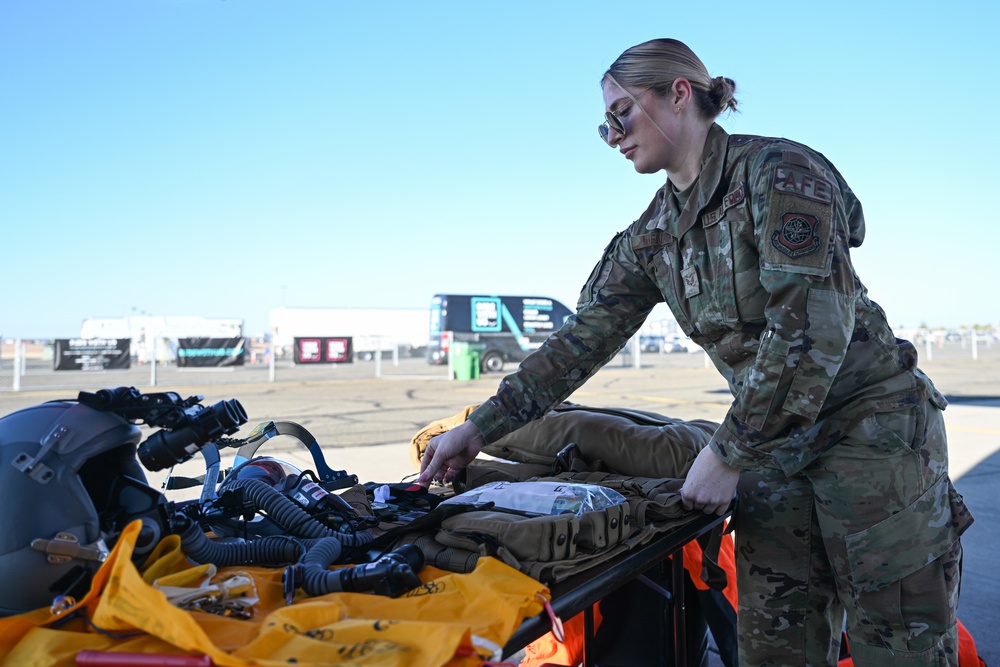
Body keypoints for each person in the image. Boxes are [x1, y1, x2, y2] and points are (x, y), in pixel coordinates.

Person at [418, 38, 973, 666]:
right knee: (777, 650)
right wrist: (479, 428)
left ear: (679, 94)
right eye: (605, 123)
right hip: (774, 456)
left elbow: (810, 329)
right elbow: (580, 341)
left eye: (622, 113)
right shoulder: (655, 233)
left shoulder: (778, 174)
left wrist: (728, 452)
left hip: (869, 438)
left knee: (900, 647)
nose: (613, 135)